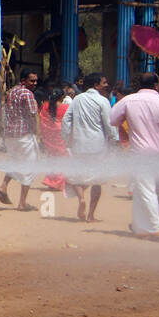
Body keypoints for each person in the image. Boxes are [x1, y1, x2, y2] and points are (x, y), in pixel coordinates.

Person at [109, 72, 159, 241]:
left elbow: (112, 120)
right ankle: (140, 227)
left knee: (146, 189)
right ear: (156, 85)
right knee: (142, 189)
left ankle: (155, 228)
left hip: (140, 154)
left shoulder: (128, 101)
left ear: (139, 85)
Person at [61, 72, 117, 221]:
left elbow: (66, 120)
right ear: (96, 85)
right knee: (97, 180)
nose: (106, 85)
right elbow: (109, 123)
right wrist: (114, 139)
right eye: (104, 82)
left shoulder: (77, 99)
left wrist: (67, 140)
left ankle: (81, 199)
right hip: (97, 146)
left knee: (78, 175)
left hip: (78, 144)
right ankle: (91, 214)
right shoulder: (103, 101)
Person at [0, 69, 39, 210]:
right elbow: (33, 115)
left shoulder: (12, 91)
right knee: (29, 167)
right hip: (24, 135)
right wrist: (37, 133)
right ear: (24, 81)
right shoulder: (27, 93)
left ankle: (3, 187)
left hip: (10, 134)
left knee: (15, 162)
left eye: (35, 80)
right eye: (31, 80)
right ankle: (22, 203)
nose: (34, 83)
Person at [38, 88, 69, 192]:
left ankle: (50, 181)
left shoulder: (45, 107)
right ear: (62, 97)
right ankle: (57, 183)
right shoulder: (65, 107)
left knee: (52, 158)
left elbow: (41, 120)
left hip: (49, 137)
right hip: (60, 137)